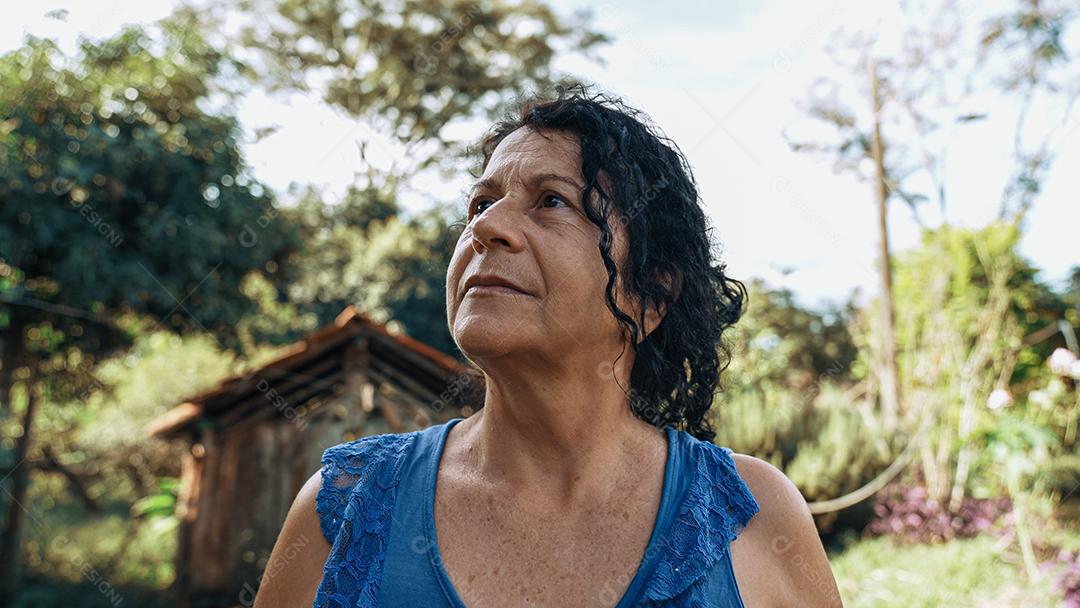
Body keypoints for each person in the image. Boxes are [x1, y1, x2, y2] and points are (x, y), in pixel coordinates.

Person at [253, 83, 842, 607]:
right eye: (481, 204)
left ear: (650, 297)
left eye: (551, 201)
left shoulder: (754, 514)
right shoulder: (345, 513)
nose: (485, 227)